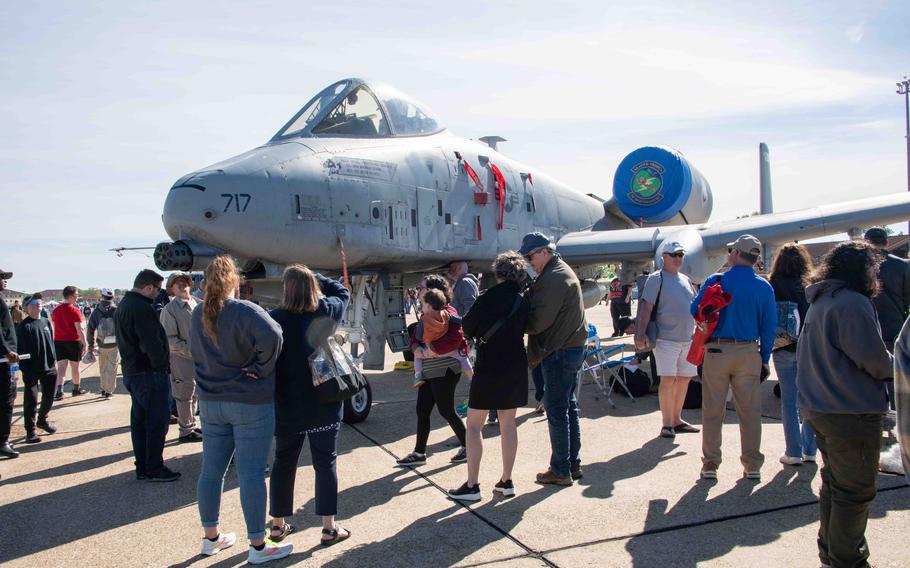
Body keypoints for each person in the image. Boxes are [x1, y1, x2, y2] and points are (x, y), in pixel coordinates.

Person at [797, 241, 893, 568]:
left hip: (821, 408)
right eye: (871, 267)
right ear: (859, 269)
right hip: (850, 410)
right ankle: (846, 559)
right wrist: (899, 368)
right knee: (854, 492)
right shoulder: (852, 303)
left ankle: (832, 554)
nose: (874, 273)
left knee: (836, 486)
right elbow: (873, 359)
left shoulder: (821, 300)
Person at [190, 256, 289, 563]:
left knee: (211, 472)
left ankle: (211, 537)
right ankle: (258, 546)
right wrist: (260, 368)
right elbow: (274, 336)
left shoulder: (197, 314)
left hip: (211, 402)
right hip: (248, 402)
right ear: (234, 280)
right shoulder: (244, 310)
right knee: (251, 473)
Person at [267, 266, 352, 546]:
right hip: (323, 401)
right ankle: (329, 527)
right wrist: (318, 277)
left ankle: (277, 525)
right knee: (325, 462)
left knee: (283, 463)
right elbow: (343, 292)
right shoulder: (325, 310)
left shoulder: (273, 319)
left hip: (287, 405)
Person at [690, 234, 776, 481]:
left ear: (736, 254)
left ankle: (710, 464)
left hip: (716, 351)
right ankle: (752, 464)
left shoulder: (716, 280)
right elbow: (768, 327)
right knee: (750, 412)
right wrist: (764, 358)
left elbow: (694, 310)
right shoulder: (763, 286)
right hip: (748, 351)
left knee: (713, 410)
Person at [448, 252, 530, 501]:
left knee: (474, 425)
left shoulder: (487, 298)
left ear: (498, 273)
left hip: (490, 364)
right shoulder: (522, 301)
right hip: (515, 362)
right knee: (508, 423)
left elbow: (467, 327)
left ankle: (472, 485)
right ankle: (507, 480)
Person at [520, 232, 588, 486]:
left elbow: (538, 323)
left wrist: (516, 320)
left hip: (558, 351)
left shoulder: (553, 278)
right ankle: (572, 463)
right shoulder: (557, 272)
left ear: (544, 252)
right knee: (568, 407)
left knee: (557, 410)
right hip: (568, 349)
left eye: (530, 256)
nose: (528, 262)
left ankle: (561, 469)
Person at [115, 269, 180, 482]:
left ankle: (143, 466)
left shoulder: (125, 305)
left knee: (140, 422)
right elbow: (150, 342)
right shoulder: (141, 308)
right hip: (149, 373)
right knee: (156, 422)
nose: (158, 294)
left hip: (134, 371)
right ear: (148, 287)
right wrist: (161, 366)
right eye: (157, 289)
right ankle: (154, 467)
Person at [396, 274, 468, 467]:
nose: (418, 290)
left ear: (433, 291)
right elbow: (416, 337)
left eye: (422, 287)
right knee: (422, 410)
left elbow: (457, 338)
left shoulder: (448, 312)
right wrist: (415, 349)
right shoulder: (426, 313)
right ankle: (419, 453)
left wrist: (432, 350)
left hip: (445, 369)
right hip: (430, 370)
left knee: (446, 410)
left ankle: (469, 445)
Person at [634, 241, 699, 439]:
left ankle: (677, 419)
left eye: (680, 254)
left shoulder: (686, 280)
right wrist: (640, 333)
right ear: (664, 256)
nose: (678, 258)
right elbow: (646, 308)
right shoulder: (656, 279)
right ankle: (667, 423)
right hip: (665, 340)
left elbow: (695, 306)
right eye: (674, 254)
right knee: (668, 380)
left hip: (687, 338)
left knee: (685, 379)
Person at [768, 244, 817, 466]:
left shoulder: (773, 285)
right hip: (809, 348)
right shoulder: (811, 284)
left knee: (789, 401)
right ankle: (810, 449)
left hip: (783, 346)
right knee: (810, 399)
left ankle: (793, 451)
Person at [864, 227, 910, 411]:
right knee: (895, 376)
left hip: (868, 329)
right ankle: (896, 416)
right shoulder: (901, 266)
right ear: (887, 243)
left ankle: (878, 413)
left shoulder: (860, 267)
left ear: (866, 242)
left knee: (870, 376)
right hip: (895, 327)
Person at [160, 272, 201, 442]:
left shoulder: (200, 305)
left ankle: (190, 424)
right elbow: (170, 340)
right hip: (183, 358)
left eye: (184, 281)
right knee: (184, 394)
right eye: (177, 282)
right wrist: (194, 350)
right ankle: (185, 431)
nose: (182, 284)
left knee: (196, 394)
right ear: (171, 288)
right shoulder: (169, 310)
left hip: (201, 358)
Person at [16, 294, 59, 444]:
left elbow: (50, 343)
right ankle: (30, 430)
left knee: (49, 396)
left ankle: (42, 420)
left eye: (40, 302)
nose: (38, 304)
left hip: (49, 367)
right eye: (34, 303)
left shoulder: (46, 322)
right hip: (31, 369)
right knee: (31, 400)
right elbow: (19, 350)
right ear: (27, 308)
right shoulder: (24, 326)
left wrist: (54, 361)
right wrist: (25, 369)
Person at [412, 289, 472, 388]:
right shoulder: (446, 314)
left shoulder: (424, 320)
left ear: (429, 306)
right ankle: (470, 377)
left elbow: (418, 336)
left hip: (430, 350)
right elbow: (459, 321)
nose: (421, 308)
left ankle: (418, 376)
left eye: (422, 305)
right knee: (463, 358)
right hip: (450, 351)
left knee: (417, 356)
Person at [0, 269, 21, 458]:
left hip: (5, 358)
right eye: (2, 278)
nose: (5, 282)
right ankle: (3, 440)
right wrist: (7, 350)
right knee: (6, 399)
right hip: (3, 360)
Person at [52, 286, 87, 397]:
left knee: (61, 367)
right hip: (73, 341)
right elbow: (79, 329)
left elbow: (54, 325)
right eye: (76, 295)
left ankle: (59, 391)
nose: (77, 297)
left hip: (59, 341)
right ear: (71, 296)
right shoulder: (74, 310)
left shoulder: (56, 310)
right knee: (75, 367)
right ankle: (76, 389)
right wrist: (85, 343)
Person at [86, 288, 120, 399]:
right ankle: (109, 391)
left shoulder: (97, 311)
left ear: (102, 296)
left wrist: (90, 346)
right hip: (114, 344)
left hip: (101, 344)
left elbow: (90, 329)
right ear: (113, 297)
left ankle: (103, 388)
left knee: (103, 367)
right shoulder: (117, 310)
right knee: (112, 368)